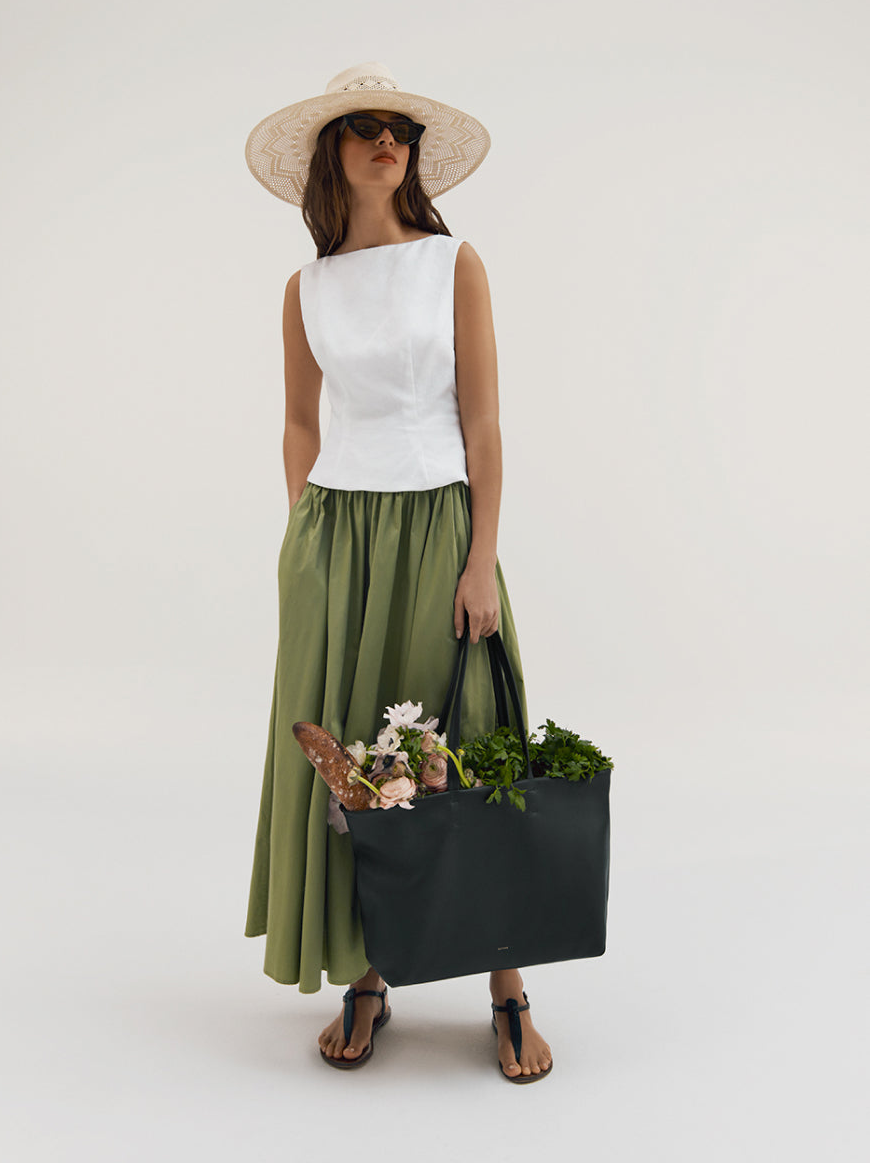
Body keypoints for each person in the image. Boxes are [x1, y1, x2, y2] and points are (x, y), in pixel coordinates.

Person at [243, 62, 553, 1082]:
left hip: (437, 529)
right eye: (365, 129)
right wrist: (306, 534)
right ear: (333, 154)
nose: (389, 142)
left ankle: (506, 987)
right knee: (357, 754)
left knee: (460, 742)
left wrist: (482, 558)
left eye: (401, 130)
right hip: (337, 538)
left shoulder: (453, 263)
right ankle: (369, 970)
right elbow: (297, 421)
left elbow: (486, 424)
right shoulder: (307, 286)